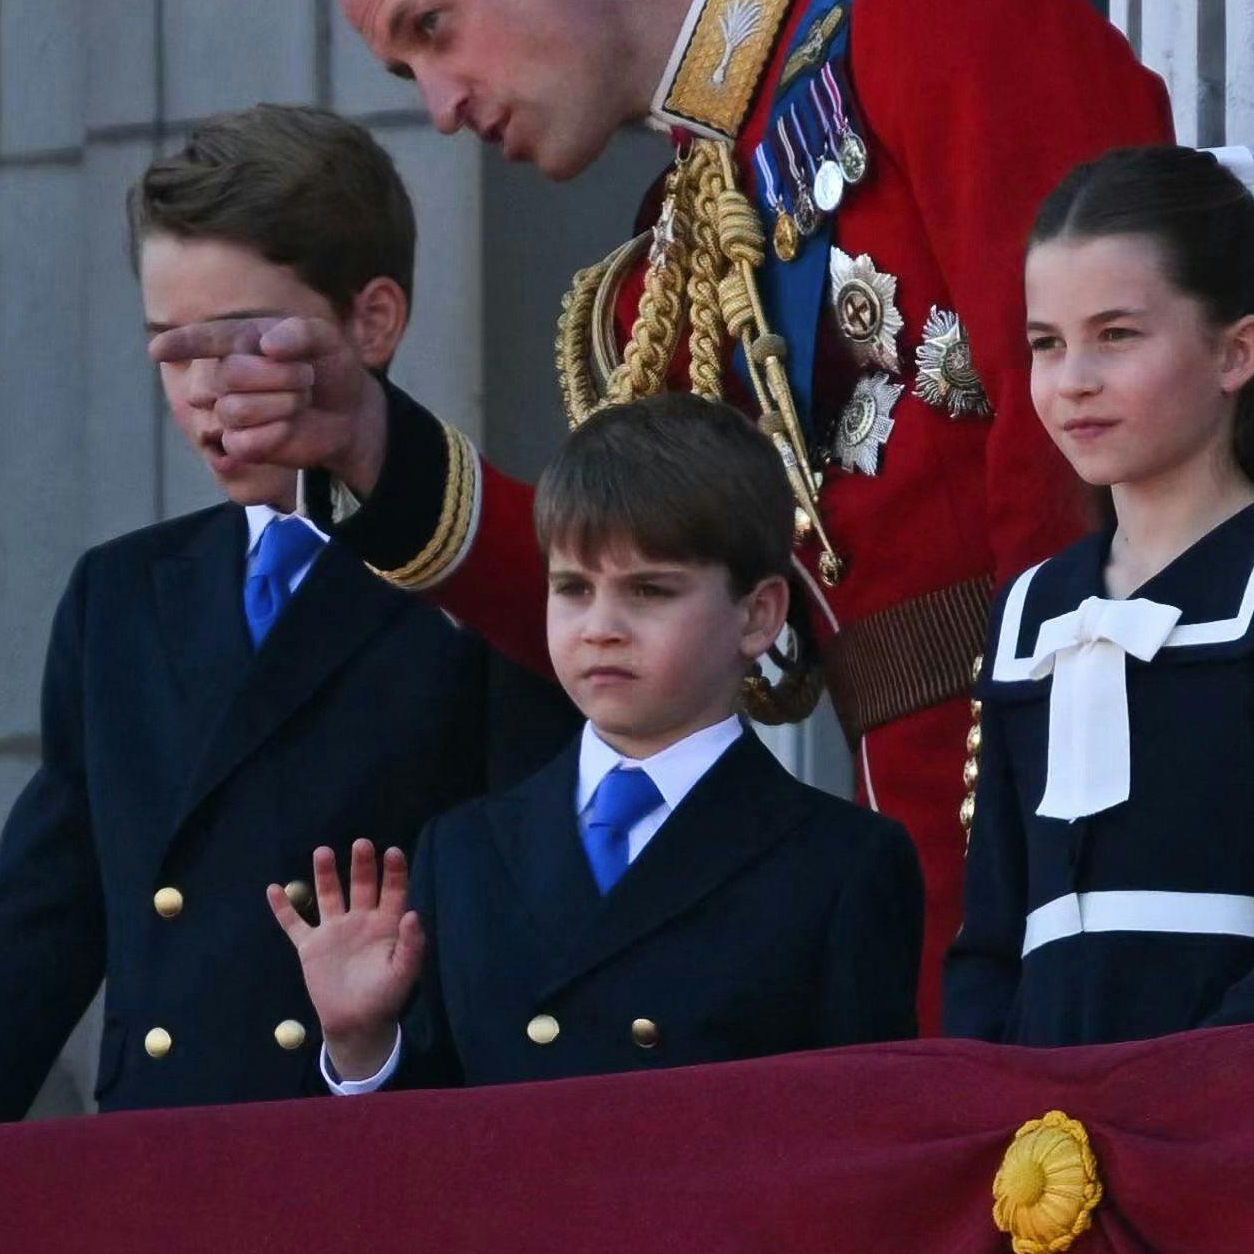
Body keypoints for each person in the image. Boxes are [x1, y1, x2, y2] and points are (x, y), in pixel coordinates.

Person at [147, 0, 1171, 1029]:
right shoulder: (664, 275)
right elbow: (629, 602)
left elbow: (1096, 413)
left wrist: (1066, 779)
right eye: (406, 69)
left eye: (436, 28)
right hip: (910, 896)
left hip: (1117, 803)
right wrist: (365, 442)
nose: (442, 104)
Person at [0, 109, 567, 1124]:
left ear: (371, 321)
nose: (208, 393)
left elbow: (526, 944)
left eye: (246, 342)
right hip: (160, 1164)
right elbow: (36, 927)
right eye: (173, 351)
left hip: (372, 1165)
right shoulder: (120, 595)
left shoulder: (476, 592)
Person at [277, 395, 921, 1088]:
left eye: (648, 591)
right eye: (573, 588)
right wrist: (363, 1044)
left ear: (758, 615)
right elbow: (432, 1141)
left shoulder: (841, 864)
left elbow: (857, 1141)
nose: (600, 627)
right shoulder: (464, 850)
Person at [946, 147, 1254, 1043]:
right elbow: (990, 936)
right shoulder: (1030, 611)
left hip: (1236, 1099)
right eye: (1046, 344)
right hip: (1040, 1136)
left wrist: (1195, 1088)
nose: (1073, 381)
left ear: (1236, 350)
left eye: (1117, 335)